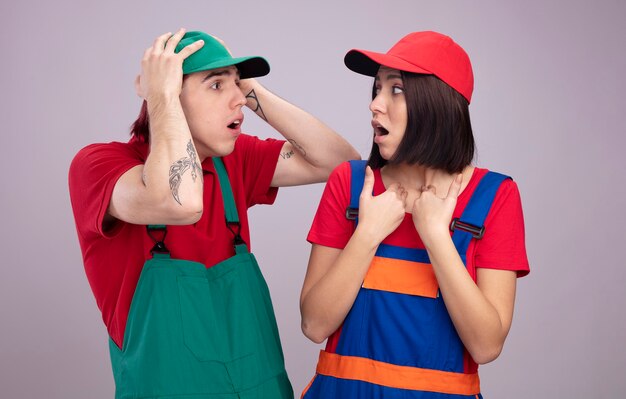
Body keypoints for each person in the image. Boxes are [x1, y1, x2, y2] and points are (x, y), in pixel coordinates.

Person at [68, 29, 359, 399]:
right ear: (170, 94)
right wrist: (161, 97)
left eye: (238, 85)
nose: (238, 98)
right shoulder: (99, 166)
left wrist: (249, 93)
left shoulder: (234, 162)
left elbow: (341, 163)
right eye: (216, 85)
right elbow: (179, 203)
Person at [299, 31, 530, 398]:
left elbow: (486, 346)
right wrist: (367, 234)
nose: (375, 104)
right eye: (376, 89)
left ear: (438, 104)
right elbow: (314, 324)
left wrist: (436, 236)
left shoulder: (494, 197)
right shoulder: (351, 183)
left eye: (396, 90)